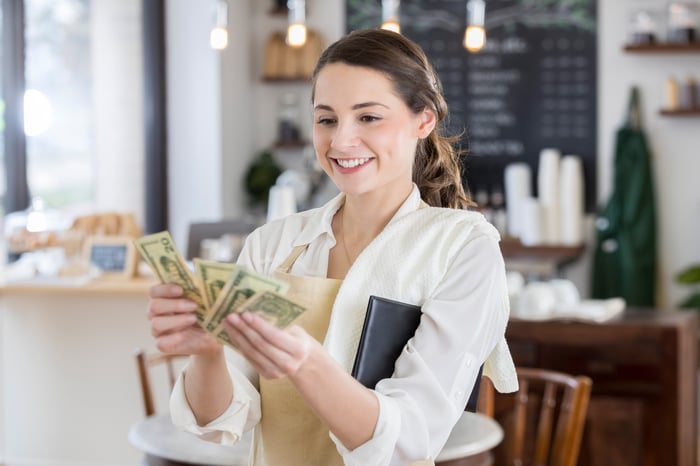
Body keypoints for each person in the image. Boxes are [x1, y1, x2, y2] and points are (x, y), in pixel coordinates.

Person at [147, 28, 518, 466]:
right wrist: (207, 351)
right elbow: (220, 422)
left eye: (369, 117)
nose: (341, 141)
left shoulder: (463, 248)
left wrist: (306, 362)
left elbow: (410, 438)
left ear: (424, 119)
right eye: (326, 119)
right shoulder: (272, 244)